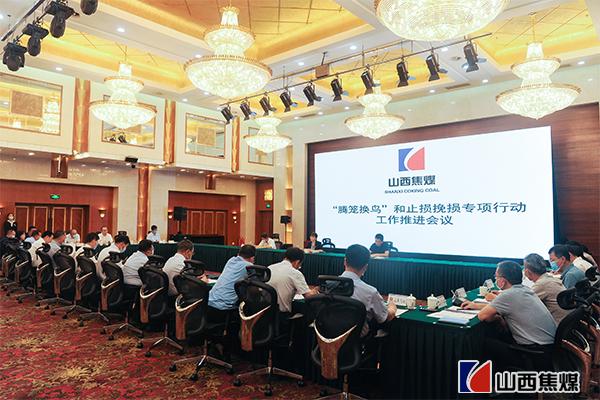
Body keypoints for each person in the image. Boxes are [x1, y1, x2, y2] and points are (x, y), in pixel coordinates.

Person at [462, 261, 556, 371]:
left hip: (534, 353)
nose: (495, 279)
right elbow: (500, 306)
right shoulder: (524, 290)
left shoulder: (508, 295)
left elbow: (483, 316)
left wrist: (497, 317)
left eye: (496, 277)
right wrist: (475, 305)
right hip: (549, 349)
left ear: (502, 281)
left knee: (484, 343)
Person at [340, 244, 396, 337]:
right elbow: (384, 318)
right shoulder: (370, 292)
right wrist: (392, 308)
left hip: (326, 339)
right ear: (365, 267)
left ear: (345, 261)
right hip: (355, 340)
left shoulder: (327, 285)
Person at [267, 247, 318, 314]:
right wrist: (315, 291)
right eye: (300, 265)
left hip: (265, 311)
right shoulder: (295, 273)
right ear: (297, 262)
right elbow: (308, 296)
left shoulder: (270, 267)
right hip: (282, 313)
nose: (299, 267)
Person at [208, 245, 256, 314]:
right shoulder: (249, 266)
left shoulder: (231, 260)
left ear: (239, 254)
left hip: (209, 301)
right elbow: (255, 287)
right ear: (252, 258)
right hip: (224, 308)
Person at [523, 253, 569, 324]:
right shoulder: (550, 279)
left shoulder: (542, 284)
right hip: (566, 323)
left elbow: (523, 304)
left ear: (527, 272)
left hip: (557, 325)